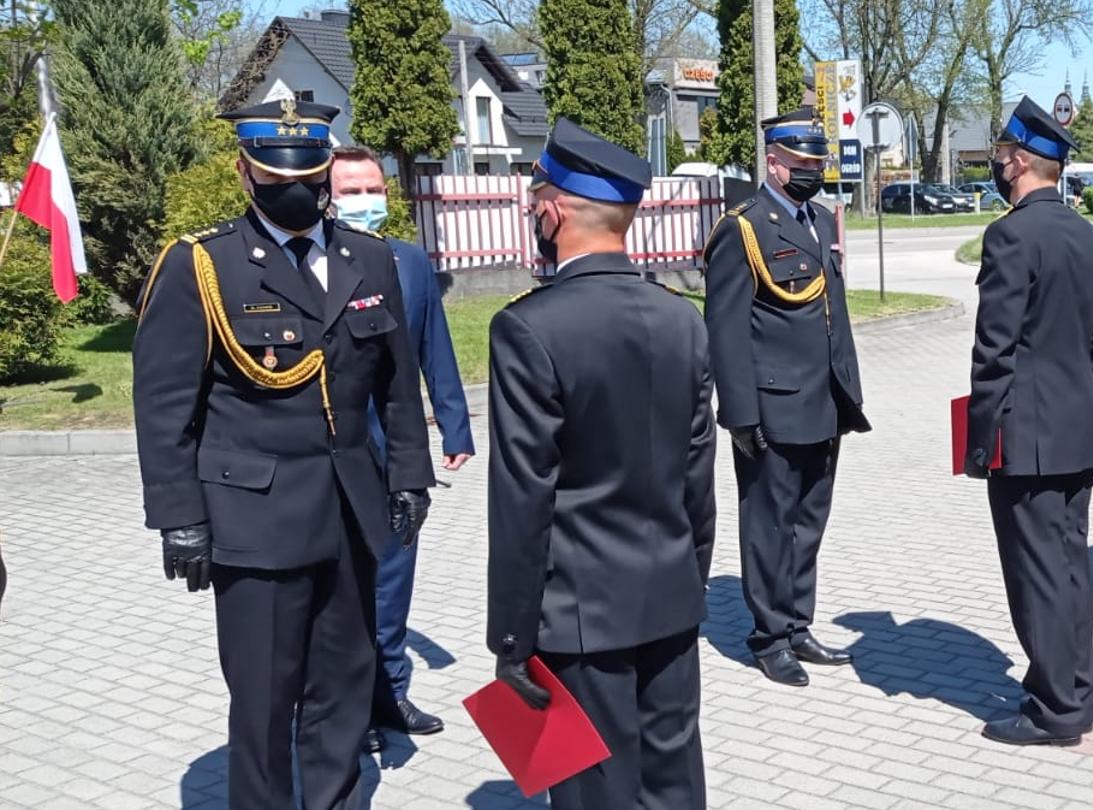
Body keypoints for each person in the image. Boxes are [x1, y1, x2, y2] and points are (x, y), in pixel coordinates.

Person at [131, 99, 433, 810]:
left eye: (309, 175)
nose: (296, 191)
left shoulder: (371, 258)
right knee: (265, 703)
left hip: (351, 512)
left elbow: (395, 382)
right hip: (254, 521)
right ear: (245, 174)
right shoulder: (203, 265)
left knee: (344, 687)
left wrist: (410, 475)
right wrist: (180, 516)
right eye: (275, 178)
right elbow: (166, 404)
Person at [486, 118, 714, 809]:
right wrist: (688, 576)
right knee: (673, 784)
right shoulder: (683, 319)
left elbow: (523, 499)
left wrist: (510, 636)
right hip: (669, 596)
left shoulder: (528, 328)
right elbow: (698, 477)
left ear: (553, 211)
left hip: (577, 615)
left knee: (592, 792)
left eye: (534, 207)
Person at [965, 97, 1093, 747]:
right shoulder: (1088, 236)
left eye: (1002, 157)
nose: (998, 167)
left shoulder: (1010, 236)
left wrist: (978, 442)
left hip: (1024, 437)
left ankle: (1056, 707)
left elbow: (992, 351)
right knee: (1069, 568)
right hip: (1076, 429)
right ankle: (1069, 685)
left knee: (1036, 574)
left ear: (1022, 162)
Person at [702, 107, 870, 688]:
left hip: (823, 401)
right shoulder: (743, 227)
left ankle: (799, 624)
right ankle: (768, 636)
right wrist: (740, 414)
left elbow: (834, 315)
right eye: (800, 163)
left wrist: (848, 389)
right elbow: (724, 328)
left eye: (816, 163)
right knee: (770, 523)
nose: (811, 172)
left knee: (808, 521)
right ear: (772, 162)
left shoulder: (820, 221)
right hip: (772, 407)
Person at [328, 145, 475, 752]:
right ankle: (347, 707)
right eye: (352, 189)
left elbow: (432, 346)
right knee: (346, 582)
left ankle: (389, 692)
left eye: (373, 187)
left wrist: (455, 423)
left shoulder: (410, 261)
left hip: (397, 446)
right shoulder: (315, 260)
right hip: (337, 448)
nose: (366, 199)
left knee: (394, 573)